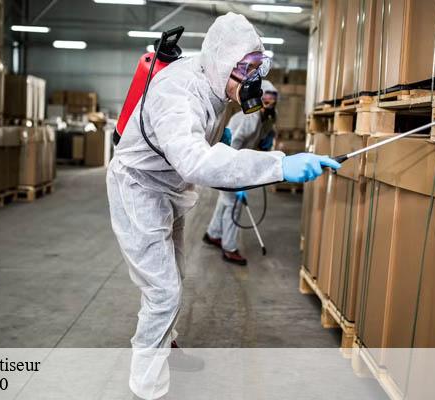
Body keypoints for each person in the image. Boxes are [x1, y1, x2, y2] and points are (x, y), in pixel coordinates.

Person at [106, 12, 340, 400]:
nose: (253, 79)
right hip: (139, 187)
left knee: (174, 274)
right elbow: (196, 161)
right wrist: (279, 165)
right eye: (244, 68)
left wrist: (220, 136)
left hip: (167, 185)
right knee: (162, 291)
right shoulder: (178, 94)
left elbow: (202, 138)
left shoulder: (216, 83)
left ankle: (166, 346)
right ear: (220, 61)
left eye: (256, 66)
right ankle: (145, 388)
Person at [204, 80, 279, 265]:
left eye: (273, 100)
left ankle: (213, 234)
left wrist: (266, 139)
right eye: (267, 99)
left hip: (239, 161)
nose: (270, 103)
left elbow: (263, 135)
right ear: (259, 98)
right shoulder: (248, 119)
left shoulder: (269, 117)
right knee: (234, 204)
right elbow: (233, 146)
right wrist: (236, 179)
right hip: (228, 160)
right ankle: (229, 248)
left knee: (225, 200)